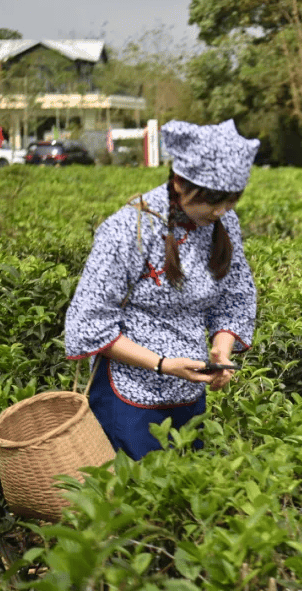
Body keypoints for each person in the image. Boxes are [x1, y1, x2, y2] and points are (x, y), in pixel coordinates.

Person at [64, 119, 259, 459]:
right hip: (128, 398)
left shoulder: (223, 223)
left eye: (230, 202)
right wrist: (162, 364)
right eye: (212, 201)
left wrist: (221, 350)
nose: (219, 211)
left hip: (189, 392)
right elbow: (90, 322)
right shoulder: (130, 228)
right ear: (181, 182)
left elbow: (235, 295)